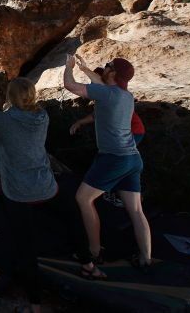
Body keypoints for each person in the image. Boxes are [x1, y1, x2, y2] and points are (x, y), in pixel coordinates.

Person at [0, 78, 98, 310]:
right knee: (72, 218)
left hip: (16, 191)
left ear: (10, 98)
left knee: (24, 247)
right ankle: (88, 262)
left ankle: (35, 303)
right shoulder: (42, 117)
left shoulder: (0, 121)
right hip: (46, 186)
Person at [63, 54, 153, 275]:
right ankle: (146, 258)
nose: (105, 67)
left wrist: (69, 67)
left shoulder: (107, 94)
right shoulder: (126, 95)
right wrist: (85, 68)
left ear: (113, 73)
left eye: (109, 66)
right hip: (133, 158)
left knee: (83, 198)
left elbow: (70, 85)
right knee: (136, 210)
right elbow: (101, 82)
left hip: (114, 158)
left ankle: (93, 252)